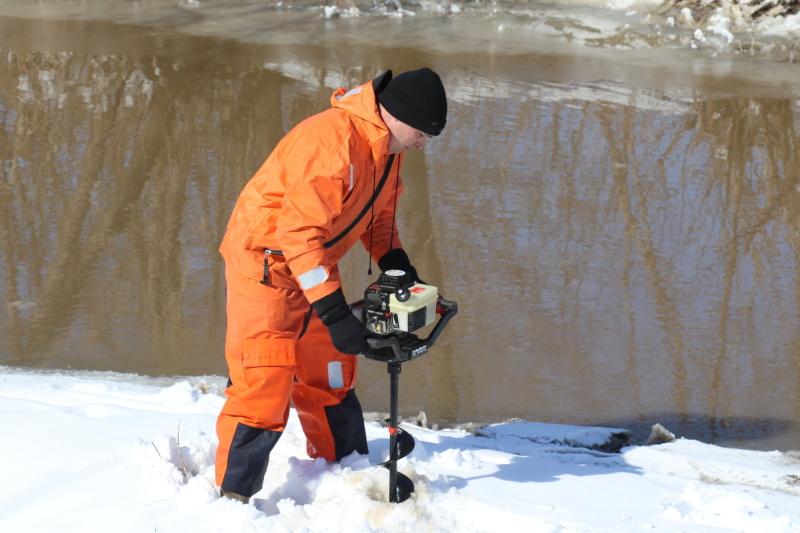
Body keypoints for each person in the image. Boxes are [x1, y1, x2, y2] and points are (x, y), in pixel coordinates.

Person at [214, 67, 448, 502]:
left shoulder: (387, 150)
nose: (422, 144)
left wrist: (396, 263)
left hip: (314, 263)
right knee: (265, 382)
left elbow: (377, 221)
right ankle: (234, 499)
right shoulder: (331, 143)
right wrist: (336, 312)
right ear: (396, 115)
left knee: (331, 370)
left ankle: (345, 469)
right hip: (266, 266)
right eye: (420, 133)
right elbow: (297, 235)